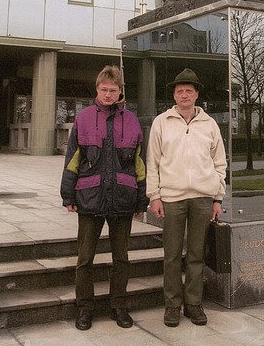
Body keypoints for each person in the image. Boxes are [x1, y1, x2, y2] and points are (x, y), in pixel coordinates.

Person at [60, 65, 148, 331]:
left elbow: (139, 163)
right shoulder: (84, 118)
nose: (108, 94)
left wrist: (141, 199)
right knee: (85, 258)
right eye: (104, 89)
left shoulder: (132, 121)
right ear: (97, 89)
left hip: (122, 199)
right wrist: (68, 194)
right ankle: (84, 308)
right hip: (90, 198)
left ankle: (118, 306)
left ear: (120, 91)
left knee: (121, 258)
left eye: (113, 90)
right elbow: (73, 159)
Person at [147, 68, 227, 328]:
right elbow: (153, 163)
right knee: (171, 255)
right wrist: (155, 196)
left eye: (189, 91)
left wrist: (217, 198)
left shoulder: (209, 124)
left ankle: (193, 304)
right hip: (172, 198)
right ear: (174, 94)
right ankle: (172, 305)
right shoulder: (162, 122)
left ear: (196, 95)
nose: (184, 95)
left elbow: (219, 163)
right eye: (180, 91)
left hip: (203, 198)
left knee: (196, 255)